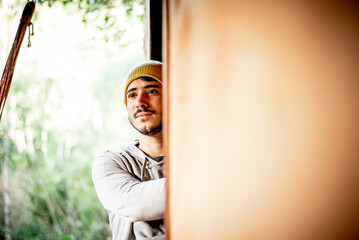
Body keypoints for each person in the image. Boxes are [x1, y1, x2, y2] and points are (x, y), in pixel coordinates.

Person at [92, 60, 166, 240]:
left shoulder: (197, 157)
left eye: (151, 91)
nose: (140, 102)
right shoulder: (111, 163)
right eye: (132, 95)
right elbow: (133, 203)